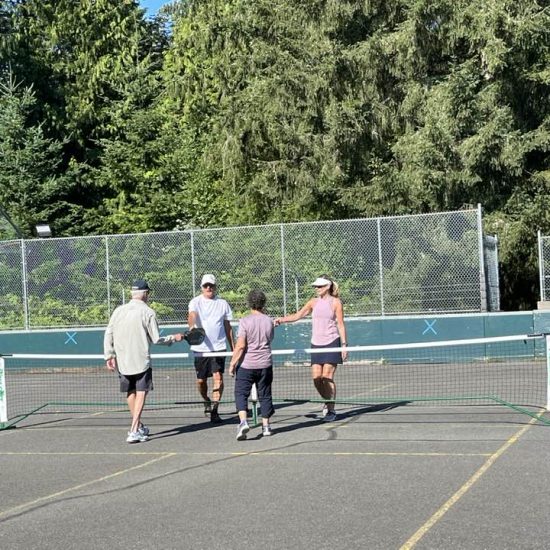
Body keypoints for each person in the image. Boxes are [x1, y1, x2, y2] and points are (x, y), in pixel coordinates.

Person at [104, 279, 183, 443]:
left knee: (130, 392)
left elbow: (108, 334)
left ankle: (138, 426)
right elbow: (156, 339)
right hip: (141, 362)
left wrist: (109, 355)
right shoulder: (148, 312)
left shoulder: (118, 311)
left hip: (123, 361)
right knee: (141, 392)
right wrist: (174, 338)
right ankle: (134, 430)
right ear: (145, 294)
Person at [275, 275, 347, 422]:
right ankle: (327, 400)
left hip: (332, 342)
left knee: (327, 376)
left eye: (319, 286)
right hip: (316, 344)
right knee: (316, 378)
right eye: (315, 286)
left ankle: (331, 409)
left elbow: (340, 324)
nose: (316, 288)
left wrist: (344, 345)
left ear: (327, 287)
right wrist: (281, 320)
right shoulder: (313, 302)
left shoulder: (336, 302)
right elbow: (298, 315)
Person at [188, 273, 234, 423]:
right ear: (201, 287)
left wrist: (233, 348)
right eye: (206, 285)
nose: (209, 288)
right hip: (201, 349)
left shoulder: (223, 304)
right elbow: (192, 315)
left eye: (211, 285)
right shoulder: (195, 302)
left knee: (218, 378)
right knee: (201, 381)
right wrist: (192, 327)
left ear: (215, 287)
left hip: (219, 347)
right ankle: (206, 400)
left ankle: (215, 409)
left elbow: (228, 327)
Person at [229, 290, 275, 440]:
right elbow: (270, 339)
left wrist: (232, 363)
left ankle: (243, 422)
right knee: (265, 394)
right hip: (265, 364)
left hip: (247, 365)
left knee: (241, 393)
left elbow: (240, 345)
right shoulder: (269, 321)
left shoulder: (244, 321)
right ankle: (266, 426)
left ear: (249, 303)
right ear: (263, 303)